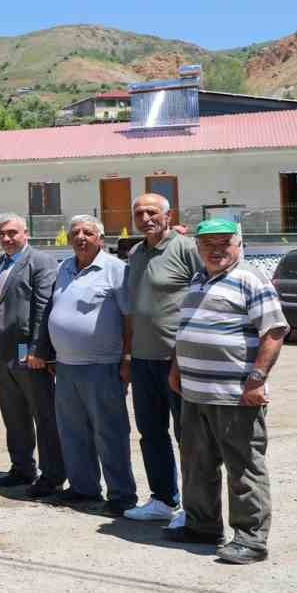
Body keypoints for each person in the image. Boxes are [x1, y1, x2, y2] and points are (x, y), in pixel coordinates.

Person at [165, 219, 287, 564]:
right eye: (208, 245)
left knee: (244, 467)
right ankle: (202, 526)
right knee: (196, 464)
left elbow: (274, 331)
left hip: (235, 394)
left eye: (224, 244)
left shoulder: (250, 278)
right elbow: (187, 328)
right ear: (198, 249)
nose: (216, 251)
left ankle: (251, 539)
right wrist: (177, 367)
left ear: (238, 245)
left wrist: (258, 379)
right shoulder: (198, 278)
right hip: (195, 392)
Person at [38, 215, 135, 513]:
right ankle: (83, 489)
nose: (81, 237)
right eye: (75, 233)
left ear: (100, 239)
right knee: (72, 431)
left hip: (102, 365)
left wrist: (127, 359)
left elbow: (130, 318)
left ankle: (121, 495)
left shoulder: (116, 270)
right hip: (66, 366)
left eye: (88, 233)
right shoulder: (64, 268)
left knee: (109, 432)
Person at [121, 192, 205, 527]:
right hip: (143, 360)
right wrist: (127, 355)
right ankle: (162, 499)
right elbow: (133, 309)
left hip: (178, 360)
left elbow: (204, 298)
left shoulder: (186, 249)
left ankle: (195, 507)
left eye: (151, 212)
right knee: (151, 432)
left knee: (189, 435)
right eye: (139, 213)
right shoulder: (136, 253)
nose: (145, 218)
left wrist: (187, 354)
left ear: (168, 215)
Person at [0, 213, 63, 498]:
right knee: (13, 414)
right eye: (1, 234)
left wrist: (39, 350)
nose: (6, 238)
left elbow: (43, 306)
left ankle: (53, 474)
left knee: (44, 415)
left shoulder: (40, 262)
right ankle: (22, 468)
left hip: (29, 352)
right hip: (1, 350)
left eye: (12, 233)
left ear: (25, 232)